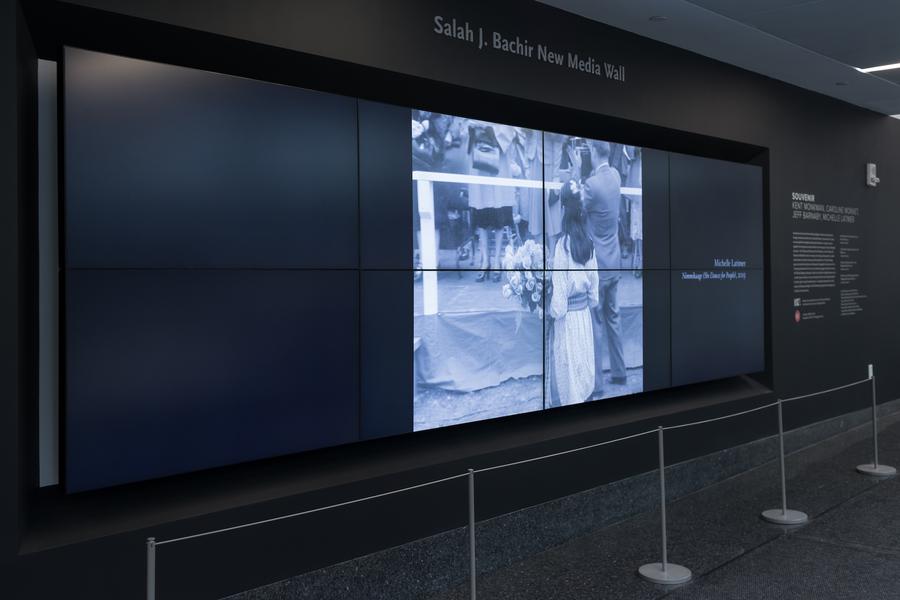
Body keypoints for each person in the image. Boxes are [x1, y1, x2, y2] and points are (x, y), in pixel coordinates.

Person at [549, 180, 599, 406]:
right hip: (584, 318)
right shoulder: (588, 243)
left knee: (568, 374)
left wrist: (549, 311)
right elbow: (594, 289)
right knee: (582, 369)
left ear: (563, 209)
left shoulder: (562, 246)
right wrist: (586, 304)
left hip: (568, 321)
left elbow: (559, 300)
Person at [584, 140, 627, 391]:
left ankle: (596, 384)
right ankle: (620, 374)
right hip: (614, 260)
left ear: (592, 152)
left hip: (597, 264)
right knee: (613, 317)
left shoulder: (591, 185)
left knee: (595, 322)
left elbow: (577, 209)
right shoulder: (616, 177)